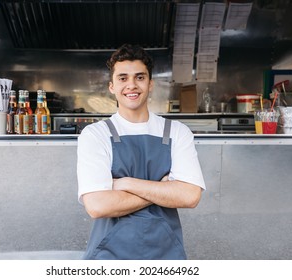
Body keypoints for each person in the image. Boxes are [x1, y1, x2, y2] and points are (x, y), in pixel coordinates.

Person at [77, 44, 206, 260]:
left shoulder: (177, 132)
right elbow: (98, 206)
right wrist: (164, 189)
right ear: (111, 86)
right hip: (109, 258)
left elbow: (190, 196)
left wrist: (127, 183)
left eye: (139, 77)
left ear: (150, 84)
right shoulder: (95, 134)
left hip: (166, 256)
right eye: (123, 78)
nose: (131, 85)